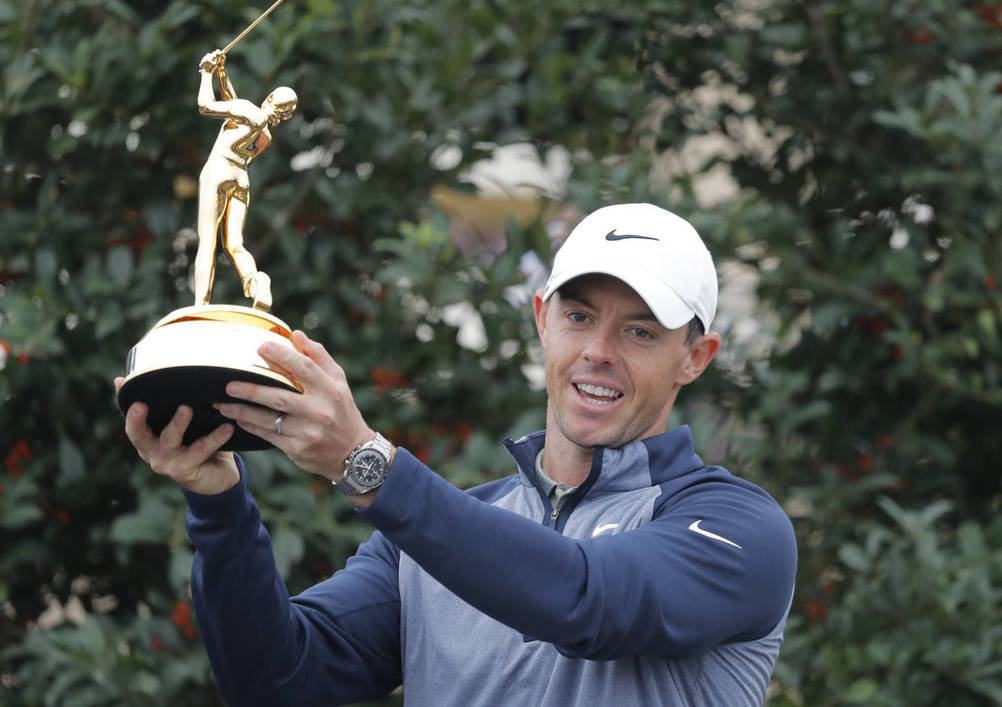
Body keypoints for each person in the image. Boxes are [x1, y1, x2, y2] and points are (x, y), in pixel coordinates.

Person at [118, 203, 797, 706]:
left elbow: (583, 599)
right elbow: (278, 684)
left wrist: (367, 463)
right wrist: (217, 504)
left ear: (695, 358)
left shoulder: (739, 528)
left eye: (640, 330)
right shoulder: (430, 539)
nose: (598, 352)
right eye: (580, 316)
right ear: (541, 318)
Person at [192, 49, 297, 311]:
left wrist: (206, 73)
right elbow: (235, 105)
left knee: (208, 240)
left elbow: (206, 106)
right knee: (235, 243)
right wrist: (222, 72)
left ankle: (200, 305)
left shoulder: (249, 111)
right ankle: (255, 280)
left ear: (270, 98)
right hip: (241, 179)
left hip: (218, 171)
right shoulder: (266, 136)